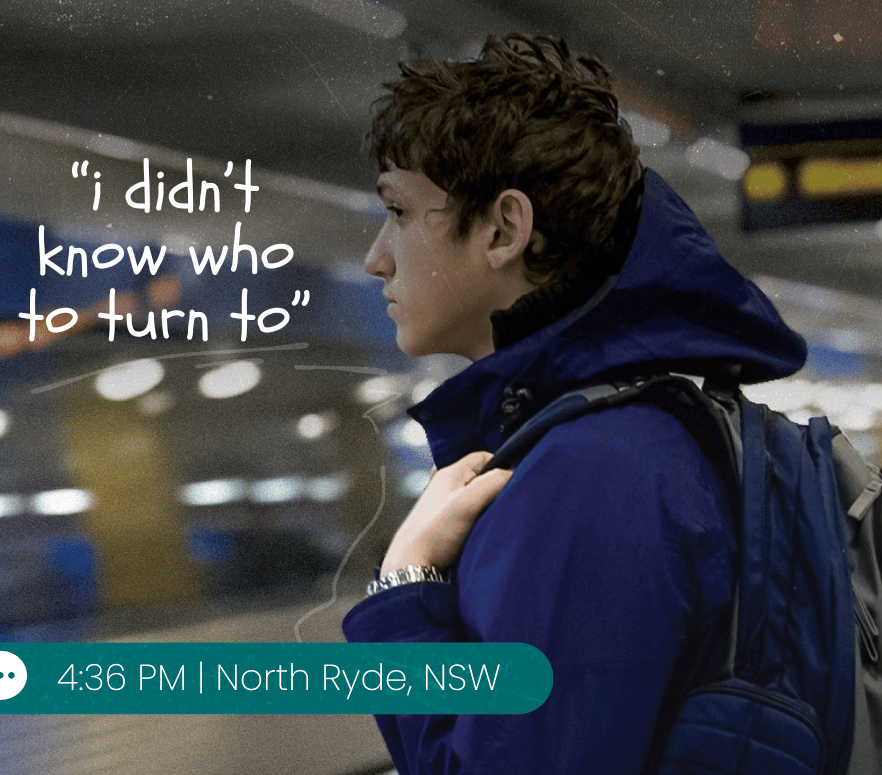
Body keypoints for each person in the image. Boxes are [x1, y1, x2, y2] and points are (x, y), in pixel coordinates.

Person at [342, 33, 807, 773]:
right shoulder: (617, 438)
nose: (377, 257)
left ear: (503, 228)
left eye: (398, 212)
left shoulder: (591, 476)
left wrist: (404, 583)